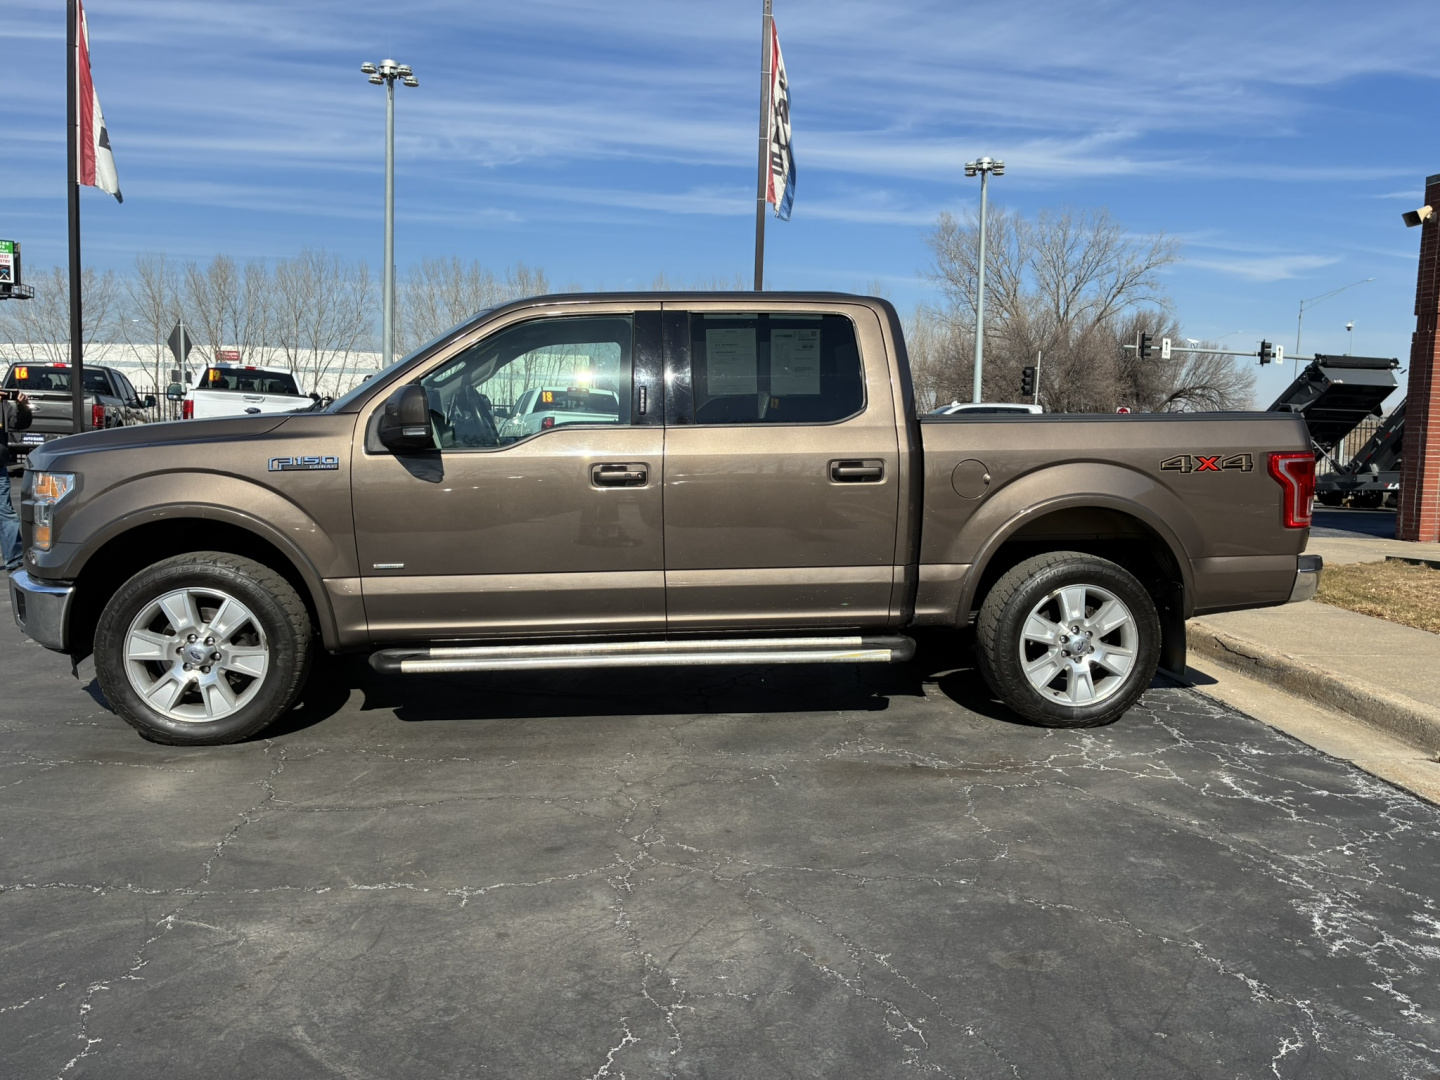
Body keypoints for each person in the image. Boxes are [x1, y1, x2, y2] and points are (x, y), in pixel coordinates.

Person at [0, 390, 34, 573]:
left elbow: (19, 423)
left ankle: (14, 559)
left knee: (6, 514)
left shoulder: (3, 404)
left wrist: (22, 407)